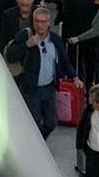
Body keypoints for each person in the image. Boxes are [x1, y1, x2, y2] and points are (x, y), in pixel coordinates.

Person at [5, 7, 81, 138]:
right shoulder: (26, 35)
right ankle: (34, 146)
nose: (40, 25)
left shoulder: (55, 40)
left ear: (49, 23)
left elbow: (63, 60)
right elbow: (11, 56)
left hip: (49, 87)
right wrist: (26, 45)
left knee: (50, 123)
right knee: (34, 122)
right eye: (37, 21)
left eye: (43, 21)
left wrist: (74, 77)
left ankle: (38, 142)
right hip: (31, 88)